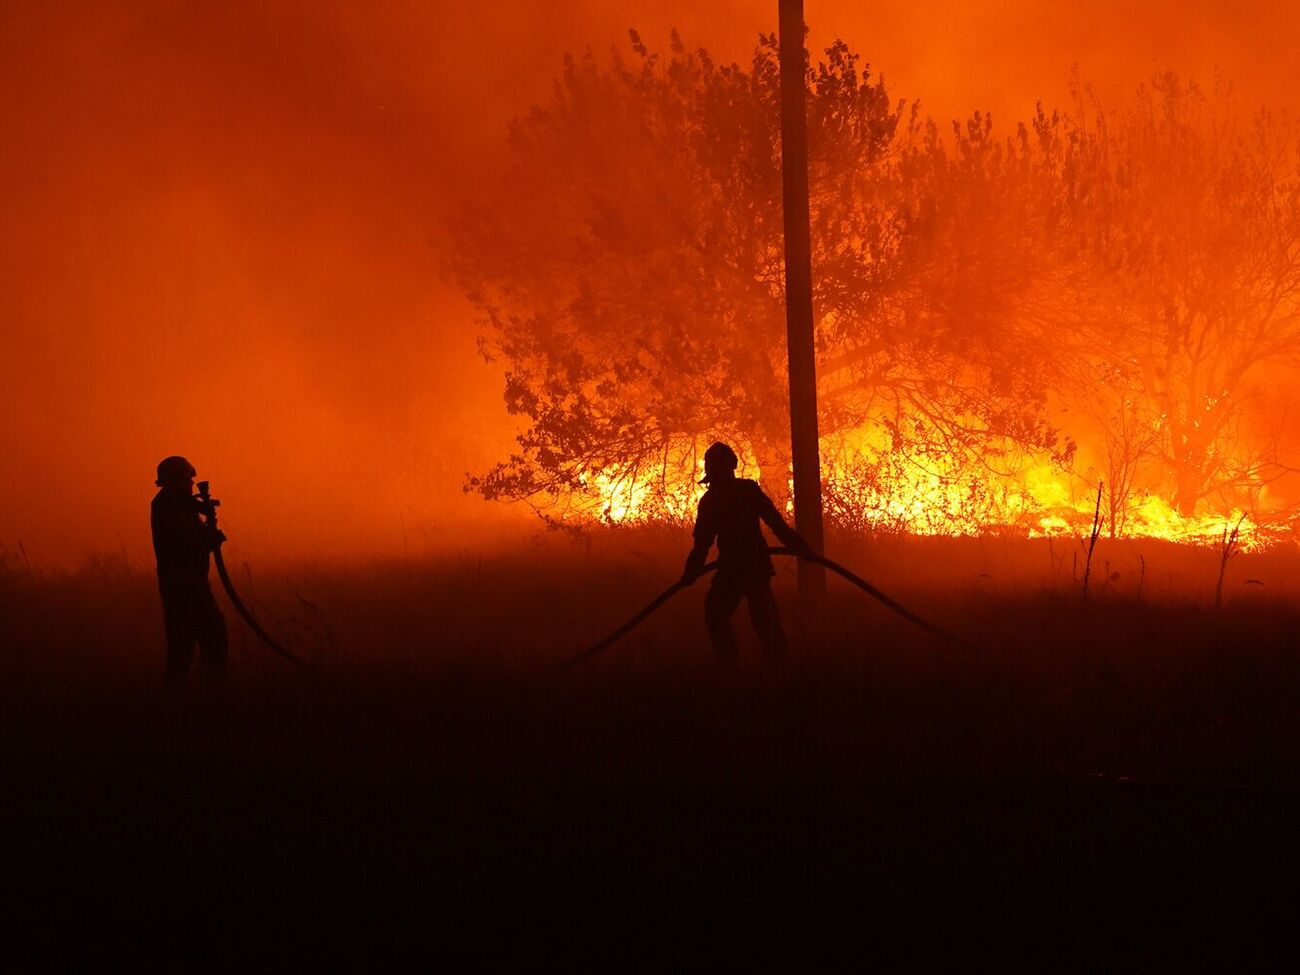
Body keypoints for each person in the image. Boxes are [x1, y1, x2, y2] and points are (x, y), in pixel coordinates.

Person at [681, 441, 815, 659]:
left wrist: (691, 571)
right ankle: (761, 667)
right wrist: (802, 548)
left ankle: (735, 667)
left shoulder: (715, 499)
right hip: (748, 567)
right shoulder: (745, 491)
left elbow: (701, 546)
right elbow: (778, 526)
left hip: (739, 568)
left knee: (722, 616)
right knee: (753, 620)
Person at [151, 456, 227, 687]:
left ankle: (204, 693)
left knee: (209, 640)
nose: (191, 485)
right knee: (187, 647)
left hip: (193, 585)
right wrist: (208, 540)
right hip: (182, 588)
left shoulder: (178, 504)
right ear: (176, 481)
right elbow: (183, 543)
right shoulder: (166, 505)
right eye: (187, 480)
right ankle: (186, 700)